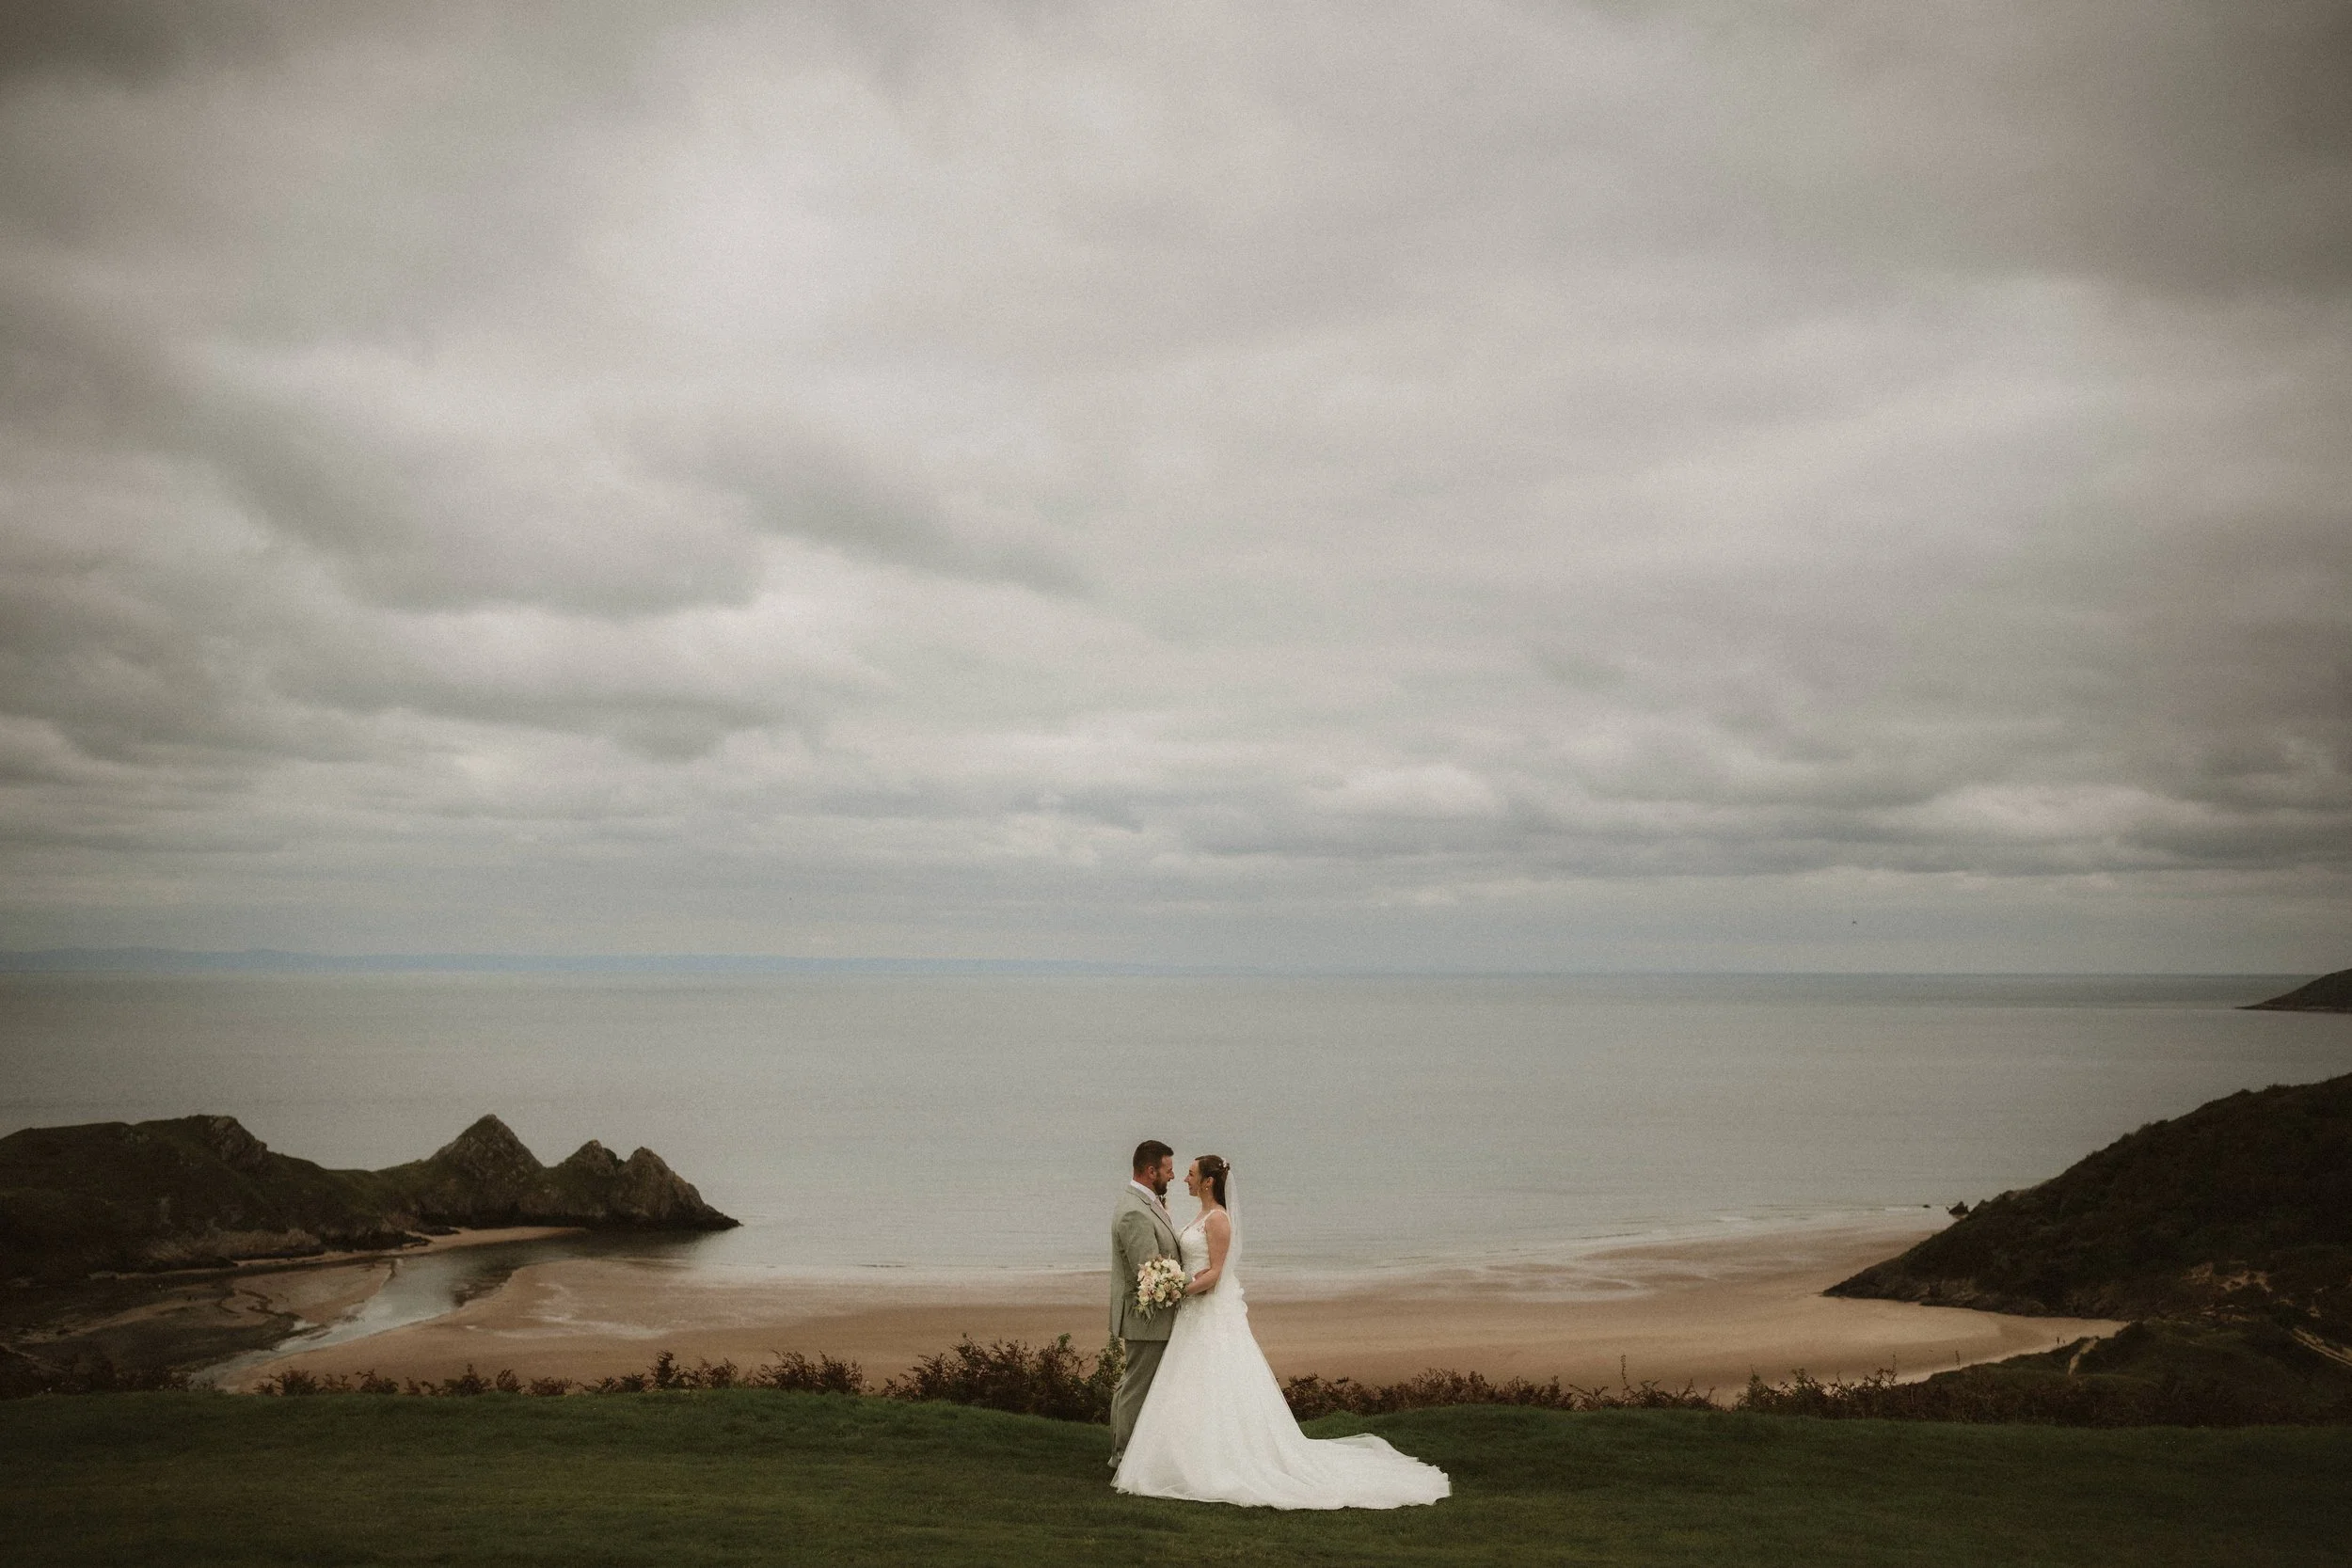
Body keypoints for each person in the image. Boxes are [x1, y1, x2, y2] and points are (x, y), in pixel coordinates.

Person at [1112, 1153, 1449, 1509]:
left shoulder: (1219, 1220)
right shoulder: (1199, 1215)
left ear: (1209, 1181)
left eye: (1192, 1174)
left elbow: (1215, 1275)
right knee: (1188, 1385)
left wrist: (1180, 1289)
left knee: (1214, 1382)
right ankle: (1183, 1454)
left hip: (1204, 1312)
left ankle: (1221, 1459)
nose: (1184, 1179)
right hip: (1190, 1317)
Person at [1107, 1138, 1182, 1467]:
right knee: (1136, 1387)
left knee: (1133, 1384)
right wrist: (1192, 1285)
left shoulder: (1147, 1204)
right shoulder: (1134, 1213)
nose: (1174, 1176)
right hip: (1147, 1318)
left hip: (1153, 1317)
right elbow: (1149, 1272)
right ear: (1151, 1171)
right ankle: (1123, 1456)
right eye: (1168, 1170)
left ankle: (1128, 1451)